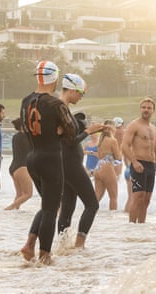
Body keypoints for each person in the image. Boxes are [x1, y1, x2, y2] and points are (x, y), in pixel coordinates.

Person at [20, 60, 75, 265]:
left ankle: (29, 244)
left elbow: (24, 127)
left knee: (47, 205)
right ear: (55, 78)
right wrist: (59, 131)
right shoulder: (55, 104)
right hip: (51, 157)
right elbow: (72, 131)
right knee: (51, 209)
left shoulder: (25, 101)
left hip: (32, 157)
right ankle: (45, 256)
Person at [56, 74, 99, 248]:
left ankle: (62, 245)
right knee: (92, 204)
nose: (81, 97)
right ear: (72, 90)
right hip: (70, 164)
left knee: (68, 207)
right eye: (81, 93)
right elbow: (70, 142)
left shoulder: (63, 109)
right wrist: (89, 131)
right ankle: (79, 245)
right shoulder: (61, 109)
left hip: (65, 163)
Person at [123, 97, 156, 224]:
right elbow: (124, 146)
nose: (146, 110)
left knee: (147, 199)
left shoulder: (154, 128)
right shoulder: (134, 125)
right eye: (143, 107)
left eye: (149, 108)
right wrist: (134, 162)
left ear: (153, 110)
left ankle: (141, 228)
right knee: (138, 197)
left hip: (151, 165)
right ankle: (132, 226)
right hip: (138, 163)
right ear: (140, 109)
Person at [91, 120, 122, 211]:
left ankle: (90, 214)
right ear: (113, 129)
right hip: (107, 168)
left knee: (96, 197)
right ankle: (112, 218)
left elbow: (99, 156)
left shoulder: (100, 141)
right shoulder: (112, 141)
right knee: (113, 197)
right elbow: (118, 157)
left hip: (98, 167)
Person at [4, 117, 34, 210]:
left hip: (14, 167)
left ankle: (14, 213)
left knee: (20, 194)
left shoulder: (16, 136)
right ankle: (9, 209)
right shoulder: (26, 137)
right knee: (28, 194)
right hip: (22, 167)